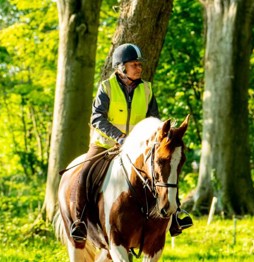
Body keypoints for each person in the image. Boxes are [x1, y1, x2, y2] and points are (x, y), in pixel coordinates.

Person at [70, 43, 192, 243]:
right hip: (106, 144)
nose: (139, 67)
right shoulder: (106, 87)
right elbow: (97, 119)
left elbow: (154, 120)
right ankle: (79, 222)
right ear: (121, 67)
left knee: (164, 171)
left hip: (139, 148)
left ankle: (175, 214)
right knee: (85, 174)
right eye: (134, 64)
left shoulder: (147, 89)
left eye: (139, 64)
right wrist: (120, 138)